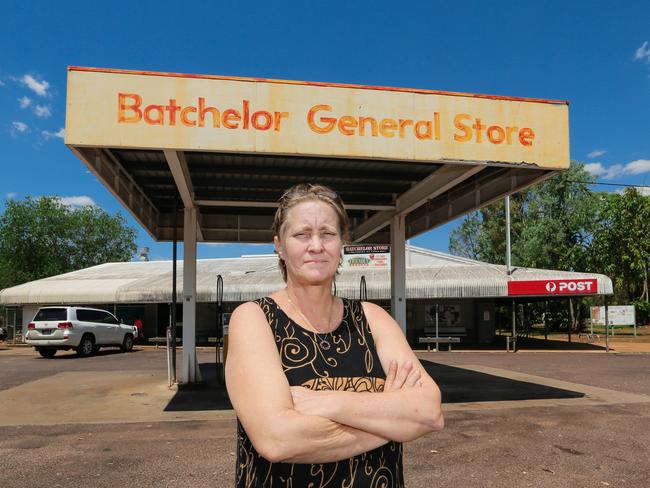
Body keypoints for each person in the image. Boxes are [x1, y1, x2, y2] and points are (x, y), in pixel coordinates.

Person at [225, 183, 444, 487]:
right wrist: (392, 419)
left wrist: (327, 402)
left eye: (328, 234)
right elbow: (277, 440)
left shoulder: (373, 318)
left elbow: (430, 411)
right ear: (279, 245)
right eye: (302, 234)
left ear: (342, 244)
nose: (316, 245)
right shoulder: (254, 319)